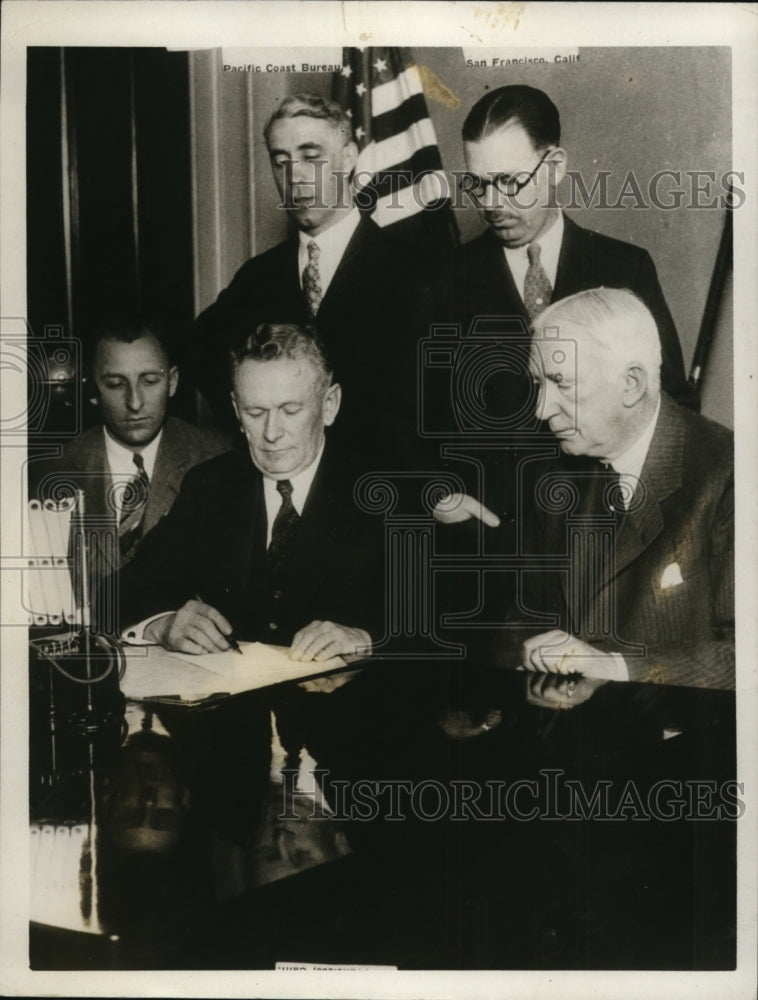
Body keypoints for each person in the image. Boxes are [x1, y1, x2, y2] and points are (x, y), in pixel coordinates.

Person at [436, 288, 733, 690]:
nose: (541, 409)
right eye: (538, 384)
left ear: (631, 383)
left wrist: (615, 666)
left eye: (561, 383)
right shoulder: (557, 476)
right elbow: (523, 620)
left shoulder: (731, 475)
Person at [116, 323, 385, 663]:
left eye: (290, 410)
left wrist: (368, 639)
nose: (271, 433)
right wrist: (161, 624)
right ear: (236, 410)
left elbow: (456, 621)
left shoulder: (382, 493)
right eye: (255, 413)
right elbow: (119, 593)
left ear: (329, 404)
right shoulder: (211, 486)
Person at [191, 93, 424, 467]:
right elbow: (199, 351)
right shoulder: (257, 276)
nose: (295, 176)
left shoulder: (412, 270)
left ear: (348, 158)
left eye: (311, 157)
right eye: (280, 161)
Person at [432, 84, 697, 412]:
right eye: (478, 184)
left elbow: (672, 408)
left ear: (555, 166)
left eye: (510, 182)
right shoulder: (440, 282)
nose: (490, 203)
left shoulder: (627, 268)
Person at [32, 317, 230, 592]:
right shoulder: (53, 471)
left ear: (172, 382)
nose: (135, 402)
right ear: (92, 389)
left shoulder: (219, 458)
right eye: (115, 384)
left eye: (149, 381)